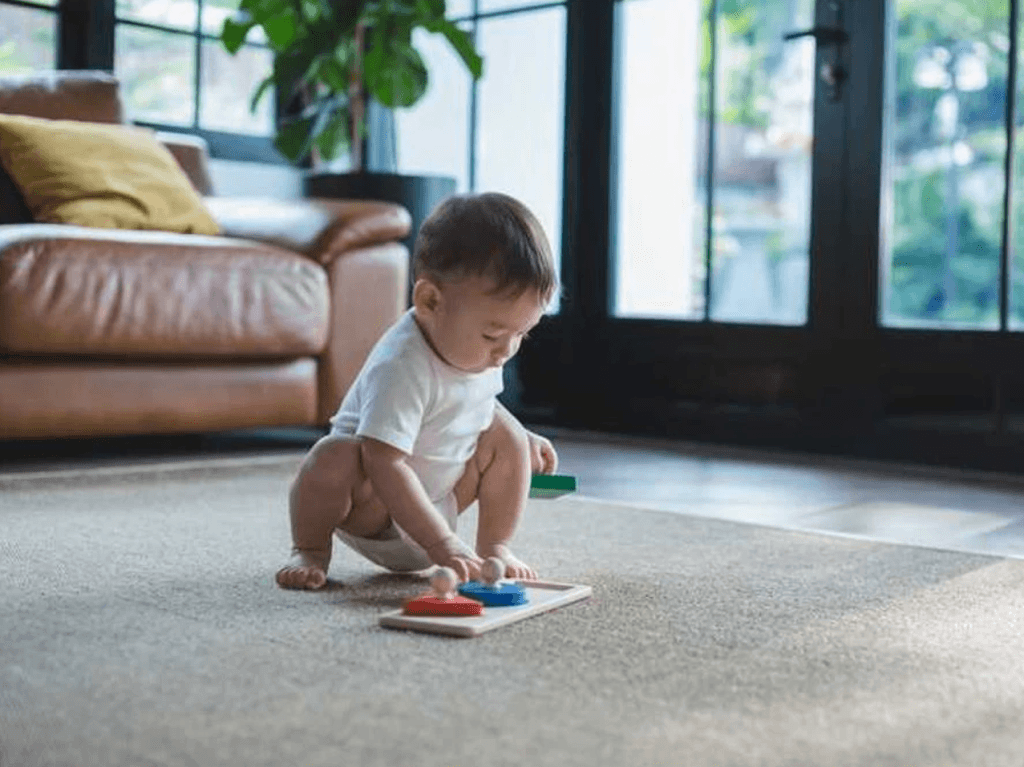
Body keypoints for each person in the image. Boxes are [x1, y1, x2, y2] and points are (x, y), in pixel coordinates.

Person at [276, 192, 560, 590]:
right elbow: (383, 463)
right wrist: (442, 544)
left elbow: (476, 404)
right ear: (429, 301)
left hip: (440, 500)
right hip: (375, 513)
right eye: (494, 334)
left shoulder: (477, 351)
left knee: (506, 433)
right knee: (333, 455)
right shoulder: (402, 365)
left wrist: (520, 441)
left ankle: (496, 547)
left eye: (522, 335)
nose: (506, 350)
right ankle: (308, 549)